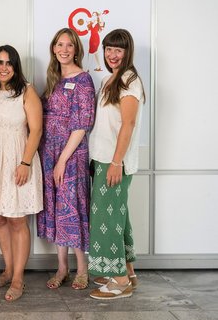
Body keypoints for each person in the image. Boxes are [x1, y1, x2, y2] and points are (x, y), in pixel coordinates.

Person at [0, 45, 44, 301]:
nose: (3, 67)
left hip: (17, 160)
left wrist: (25, 164)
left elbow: (35, 130)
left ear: (15, 67)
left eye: (8, 63)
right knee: (0, 218)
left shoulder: (27, 91)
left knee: (16, 219)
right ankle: (7, 268)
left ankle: (18, 278)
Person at [88, 29, 145, 300]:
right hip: (103, 159)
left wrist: (115, 162)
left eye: (118, 50)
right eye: (109, 49)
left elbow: (128, 124)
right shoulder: (112, 79)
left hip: (114, 161)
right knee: (119, 218)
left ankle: (119, 281)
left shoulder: (128, 82)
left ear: (127, 52)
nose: (112, 54)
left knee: (107, 219)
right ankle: (129, 273)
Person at [37, 28, 96, 290]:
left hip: (71, 154)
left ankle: (82, 269)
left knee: (73, 208)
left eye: (69, 45)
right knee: (57, 210)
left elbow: (83, 124)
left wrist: (62, 160)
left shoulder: (83, 79)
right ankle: (62, 267)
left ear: (76, 50)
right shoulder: (52, 79)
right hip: (48, 152)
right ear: (53, 48)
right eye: (59, 44)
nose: (64, 49)